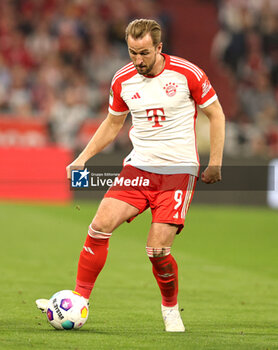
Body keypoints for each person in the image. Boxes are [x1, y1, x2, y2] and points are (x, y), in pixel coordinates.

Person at [36, 19, 225, 332]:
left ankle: (170, 309)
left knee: (157, 251)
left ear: (159, 48)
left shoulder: (187, 73)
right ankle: (79, 299)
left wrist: (215, 160)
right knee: (99, 225)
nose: (138, 60)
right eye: (133, 52)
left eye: (145, 53)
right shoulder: (123, 79)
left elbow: (215, 113)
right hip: (138, 167)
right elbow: (112, 124)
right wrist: (83, 158)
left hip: (177, 170)